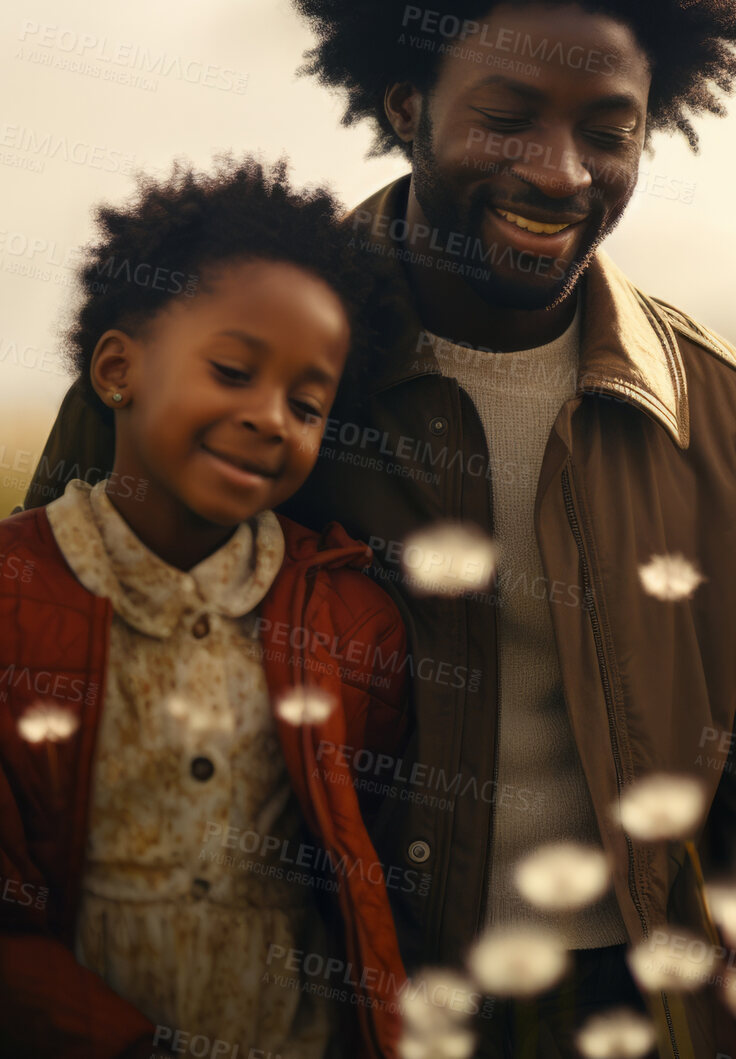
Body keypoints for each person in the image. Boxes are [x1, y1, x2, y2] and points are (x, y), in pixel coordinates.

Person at [21, 4, 736, 1057]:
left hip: (624, 1014)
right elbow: (40, 651)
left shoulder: (726, 426)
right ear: (408, 107)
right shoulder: (216, 347)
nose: (560, 173)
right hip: (318, 1016)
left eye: (607, 131)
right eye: (507, 119)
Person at [0, 158, 410, 1059]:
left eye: (307, 404)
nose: (271, 418)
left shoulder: (352, 620)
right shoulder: (14, 595)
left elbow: (361, 858)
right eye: (231, 370)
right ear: (118, 369)